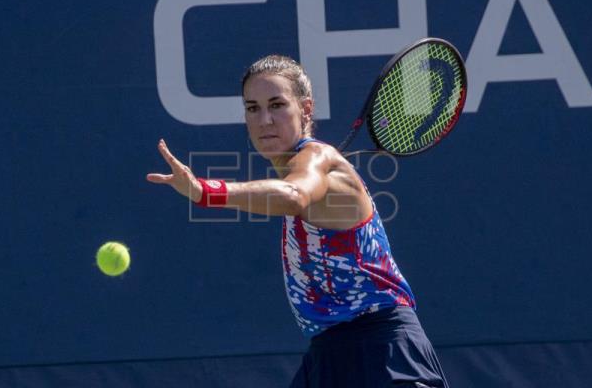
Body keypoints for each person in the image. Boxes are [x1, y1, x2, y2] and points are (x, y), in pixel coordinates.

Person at [147, 55, 449, 388]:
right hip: (328, 353)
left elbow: (293, 195)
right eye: (253, 108)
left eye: (276, 105)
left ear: (305, 110)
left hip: (382, 351)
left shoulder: (317, 157)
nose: (264, 120)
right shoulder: (303, 167)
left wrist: (204, 191)